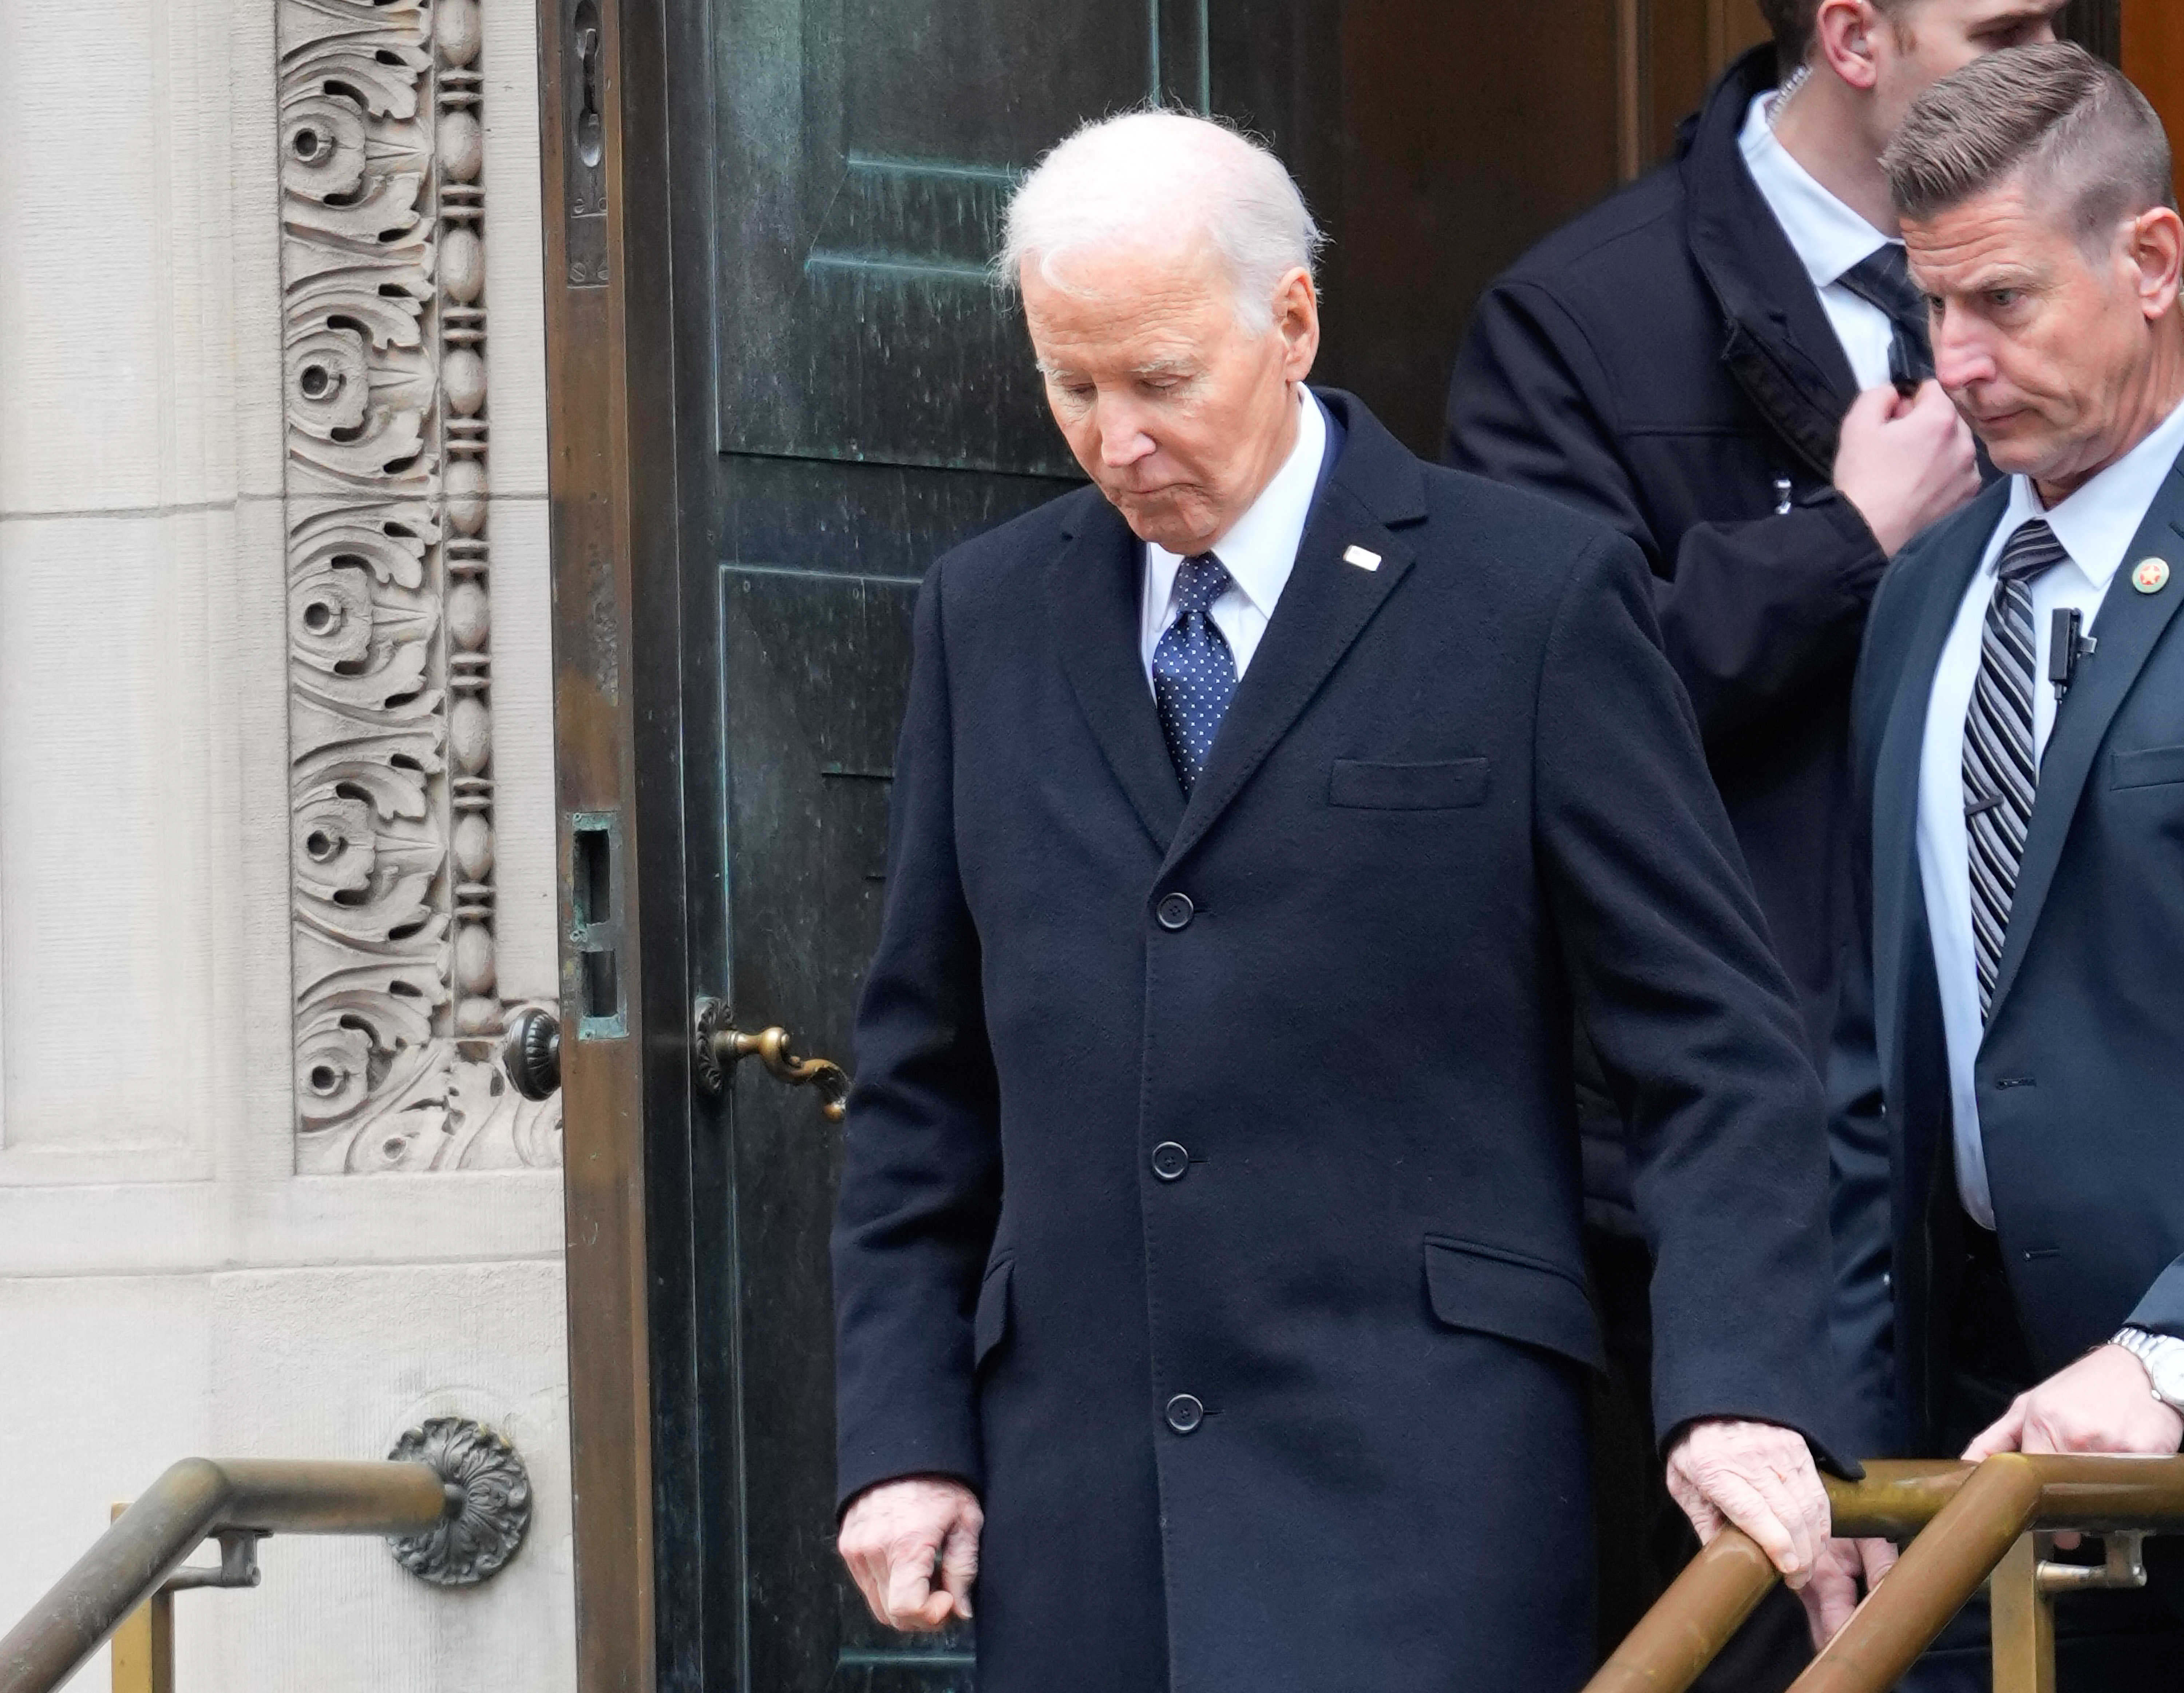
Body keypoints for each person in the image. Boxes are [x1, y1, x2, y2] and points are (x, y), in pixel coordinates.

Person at [830, 110, 1850, 1693]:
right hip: (1085, 1513)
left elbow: (1715, 1048)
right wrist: (902, 1436)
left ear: (1291, 320)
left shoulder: (1533, 593)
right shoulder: (988, 615)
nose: (1115, 440)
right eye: (1070, 384)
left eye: (1159, 380)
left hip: (1424, 1504)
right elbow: (923, 1085)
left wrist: (1737, 1386)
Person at [1443, 1, 2055, 1669]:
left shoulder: (2104, 270)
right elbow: (1531, 714)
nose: (2064, 56)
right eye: (2007, 26)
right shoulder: (1580, 318)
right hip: (1760, 1171)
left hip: (2048, 1144)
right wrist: (1844, 541)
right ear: (1857, 37)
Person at [1829, 42, 2184, 1684]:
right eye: (1930, 309)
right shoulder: (1927, 589)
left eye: (2006, 303)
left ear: (2154, 261)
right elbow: (1862, 1055)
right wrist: (1836, 1437)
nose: (1956, 364)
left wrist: (2172, 1347)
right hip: (1975, 1459)